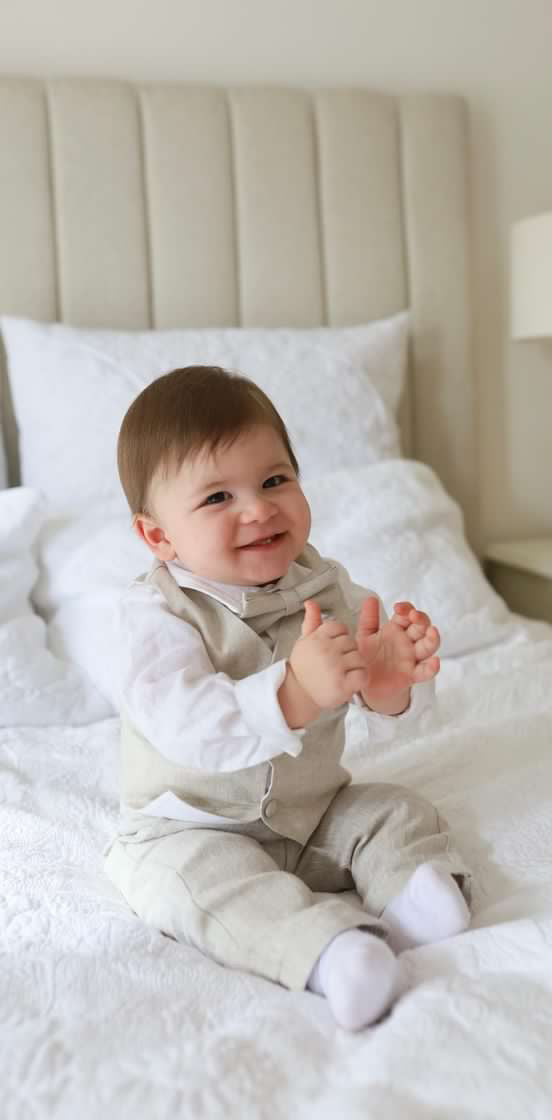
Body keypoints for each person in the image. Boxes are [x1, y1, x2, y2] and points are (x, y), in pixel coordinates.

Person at [105, 365, 471, 1031]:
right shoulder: (152, 615)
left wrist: (388, 688)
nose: (259, 508)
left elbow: (373, 702)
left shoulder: (324, 582)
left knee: (393, 809)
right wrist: (296, 692)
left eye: (275, 480)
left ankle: (415, 898)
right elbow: (189, 727)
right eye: (218, 498)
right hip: (191, 823)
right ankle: (332, 952)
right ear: (159, 536)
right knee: (195, 888)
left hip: (310, 808)